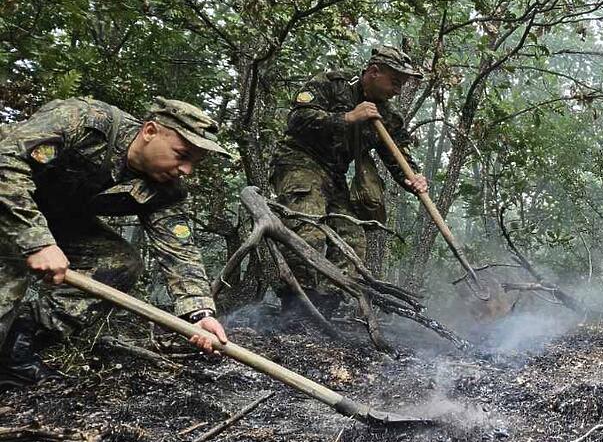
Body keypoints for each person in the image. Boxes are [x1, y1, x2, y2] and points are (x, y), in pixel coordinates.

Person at [0, 97, 232, 387]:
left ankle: (16, 348)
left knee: (119, 263)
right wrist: (37, 242)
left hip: (55, 215)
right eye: (181, 154)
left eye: (194, 163)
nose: (186, 170)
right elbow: (6, 164)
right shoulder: (84, 120)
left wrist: (199, 313)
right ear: (149, 132)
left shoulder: (165, 189)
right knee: (9, 262)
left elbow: (180, 251)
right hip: (9, 197)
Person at [269, 46, 429, 314]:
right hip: (298, 162)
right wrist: (347, 118)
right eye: (395, 82)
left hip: (335, 175)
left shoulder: (388, 116)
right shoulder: (332, 85)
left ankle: (325, 309)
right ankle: (295, 308)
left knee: (352, 239)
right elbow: (297, 120)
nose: (398, 91)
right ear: (374, 72)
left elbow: (397, 156)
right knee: (309, 227)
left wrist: (412, 179)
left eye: (402, 85)